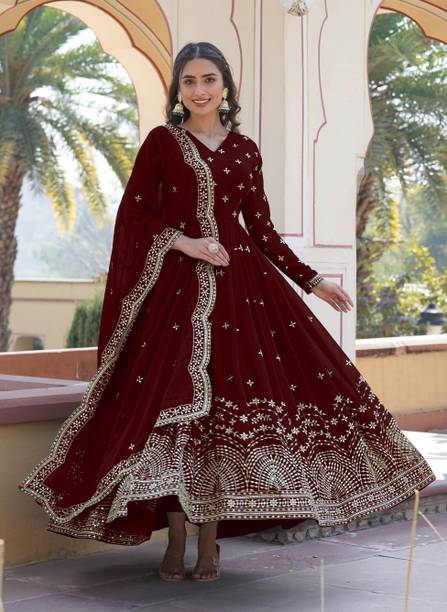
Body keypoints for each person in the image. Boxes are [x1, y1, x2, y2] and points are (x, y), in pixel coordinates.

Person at [18, 41, 436, 583]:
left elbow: (260, 229)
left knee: (223, 420)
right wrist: (185, 242)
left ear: (225, 87)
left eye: (208, 79)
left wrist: (313, 281)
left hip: (243, 296)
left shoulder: (245, 150)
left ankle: (209, 541)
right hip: (175, 297)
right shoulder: (163, 143)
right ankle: (176, 540)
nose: (199, 90)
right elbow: (135, 216)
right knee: (174, 419)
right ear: (178, 89)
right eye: (189, 81)